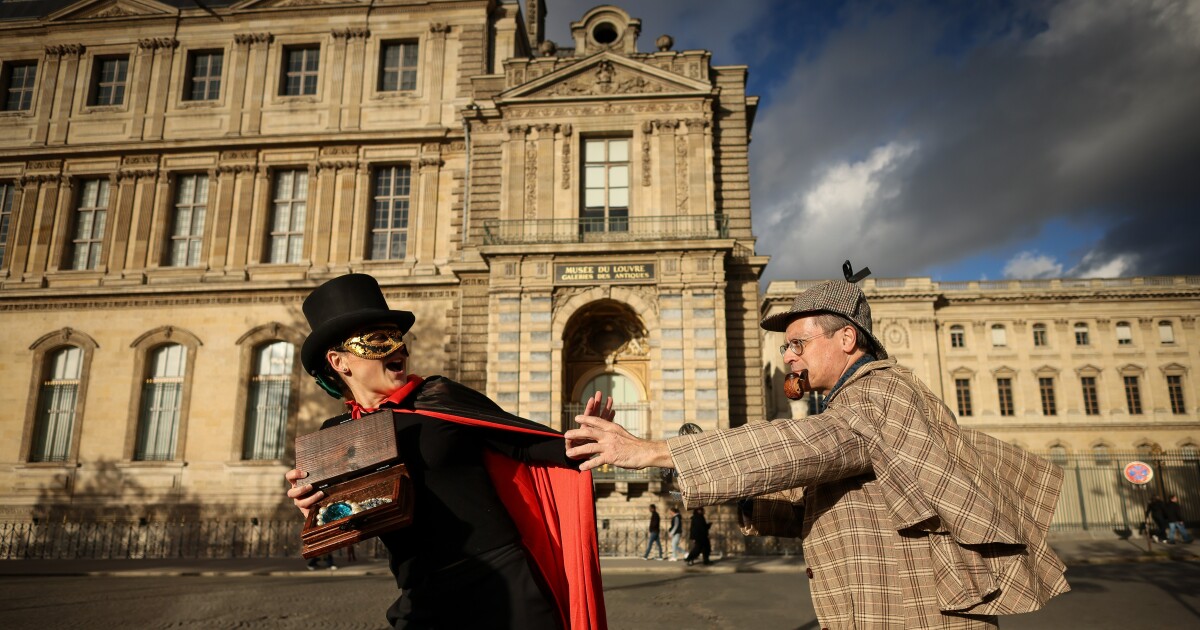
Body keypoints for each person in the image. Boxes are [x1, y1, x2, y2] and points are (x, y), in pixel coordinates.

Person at [566, 280, 1070, 629]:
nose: (789, 356)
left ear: (847, 338)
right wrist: (738, 492)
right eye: (788, 347)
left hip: (913, 615)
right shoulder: (856, 404)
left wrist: (657, 451)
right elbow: (818, 500)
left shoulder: (881, 393)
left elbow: (808, 445)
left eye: (797, 343)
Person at [286, 274, 609, 629]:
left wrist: (580, 441)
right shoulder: (333, 438)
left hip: (501, 585)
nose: (399, 349)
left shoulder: (440, 397)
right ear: (338, 361)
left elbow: (524, 443)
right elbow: (347, 518)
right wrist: (315, 504)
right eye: (378, 340)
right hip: (422, 595)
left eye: (398, 338)